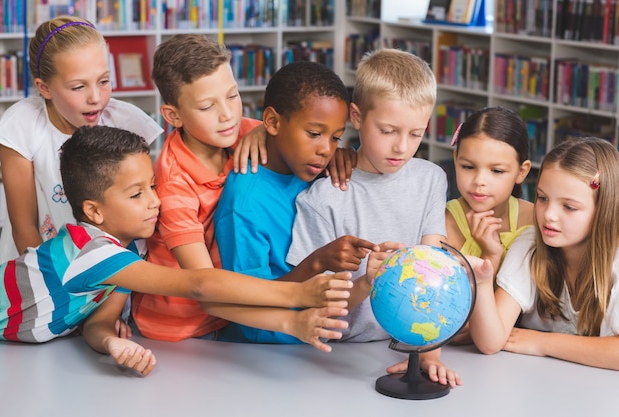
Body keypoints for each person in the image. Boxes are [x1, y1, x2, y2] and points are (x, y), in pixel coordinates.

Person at [0, 125, 356, 376]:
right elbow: (198, 285)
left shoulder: (124, 250)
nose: (155, 201)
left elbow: (100, 322)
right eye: (137, 194)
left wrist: (111, 344)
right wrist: (298, 292)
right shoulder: (92, 254)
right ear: (94, 211)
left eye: (152, 185)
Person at [286, 48, 460, 387]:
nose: (402, 147)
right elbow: (311, 302)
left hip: (408, 348)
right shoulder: (322, 199)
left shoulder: (431, 179)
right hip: (336, 360)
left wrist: (430, 353)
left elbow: (434, 272)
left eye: (416, 133)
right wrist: (367, 281)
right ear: (356, 116)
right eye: (388, 130)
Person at [214, 61, 378, 345]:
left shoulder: (320, 169)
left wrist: (346, 154)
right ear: (273, 122)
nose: (326, 149)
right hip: (263, 350)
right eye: (314, 134)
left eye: (336, 137)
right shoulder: (244, 202)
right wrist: (317, 262)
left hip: (322, 341)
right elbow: (249, 303)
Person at [0, 16, 163, 268]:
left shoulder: (126, 121)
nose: (95, 97)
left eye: (104, 81)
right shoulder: (22, 125)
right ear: (45, 87)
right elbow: (24, 226)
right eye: (78, 87)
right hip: (43, 270)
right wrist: (57, 289)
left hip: (113, 269)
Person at [129, 33, 263, 342]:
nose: (228, 114)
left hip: (230, 313)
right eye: (206, 107)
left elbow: (290, 136)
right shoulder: (174, 183)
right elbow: (202, 285)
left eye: (232, 95)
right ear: (173, 115)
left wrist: (263, 134)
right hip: (180, 328)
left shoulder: (241, 131)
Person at [469, 137, 619, 370]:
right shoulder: (529, 245)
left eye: (568, 207)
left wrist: (543, 342)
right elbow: (490, 342)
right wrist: (484, 279)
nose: (548, 214)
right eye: (542, 198)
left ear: (605, 212)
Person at [446, 106, 533, 275]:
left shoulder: (535, 219)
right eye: (468, 167)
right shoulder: (443, 223)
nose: (479, 181)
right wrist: (490, 255)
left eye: (497, 171)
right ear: (456, 160)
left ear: (521, 172)